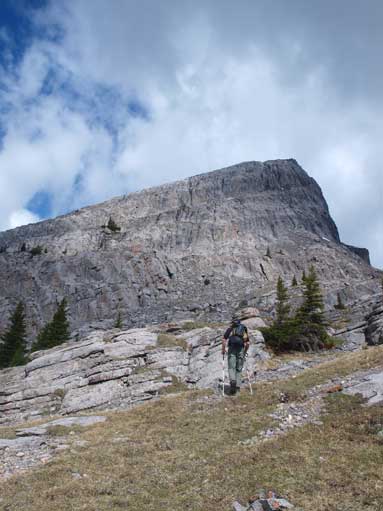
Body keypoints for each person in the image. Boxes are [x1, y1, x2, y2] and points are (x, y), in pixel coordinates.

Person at [222, 315, 250, 395]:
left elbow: (224, 339)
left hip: (231, 349)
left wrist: (223, 350)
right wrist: (245, 351)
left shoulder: (230, 328)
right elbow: (247, 343)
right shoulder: (243, 329)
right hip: (241, 349)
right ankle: (237, 389)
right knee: (239, 369)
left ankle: (232, 381)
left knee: (231, 367)